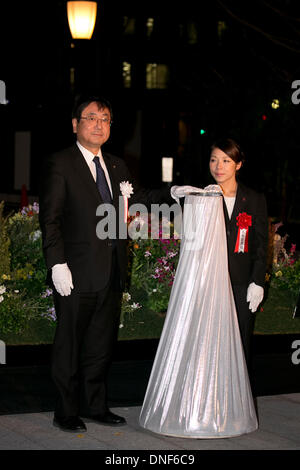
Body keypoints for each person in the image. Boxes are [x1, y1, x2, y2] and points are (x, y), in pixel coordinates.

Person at [39, 95, 171, 433]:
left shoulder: (116, 165)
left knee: (101, 344)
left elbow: (139, 200)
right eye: (92, 117)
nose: (99, 124)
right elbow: (50, 219)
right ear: (75, 124)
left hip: (112, 271)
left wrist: (174, 194)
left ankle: (96, 405)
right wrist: (57, 264)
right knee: (69, 343)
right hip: (75, 272)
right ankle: (66, 410)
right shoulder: (61, 163)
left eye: (106, 119)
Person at [209, 138, 268, 367]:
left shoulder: (253, 199)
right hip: (210, 284)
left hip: (241, 284)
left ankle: (237, 400)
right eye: (214, 160)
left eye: (226, 160)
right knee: (212, 344)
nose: (219, 166)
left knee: (240, 346)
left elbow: (261, 244)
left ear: (238, 164)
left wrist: (258, 281)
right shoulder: (204, 196)